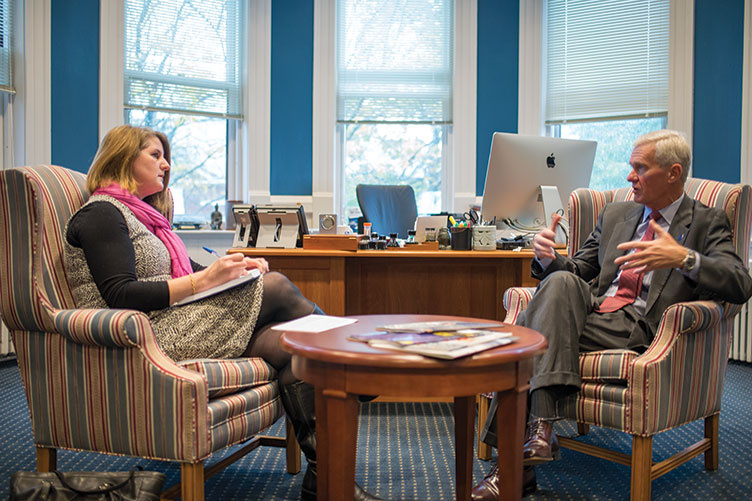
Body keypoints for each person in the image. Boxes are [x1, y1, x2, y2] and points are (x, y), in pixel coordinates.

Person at [64, 125, 382, 501]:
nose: (166, 165)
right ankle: (355, 360)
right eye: (155, 155)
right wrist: (204, 282)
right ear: (122, 158)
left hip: (175, 322)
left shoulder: (146, 218)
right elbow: (121, 293)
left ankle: (327, 482)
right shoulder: (101, 214)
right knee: (277, 286)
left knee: (297, 346)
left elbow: (186, 272)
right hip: (148, 335)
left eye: (166, 157)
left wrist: (234, 269)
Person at [472, 129, 752, 500]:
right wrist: (547, 258)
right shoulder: (616, 213)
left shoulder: (705, 221)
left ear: (673, 172)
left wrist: (683, 258)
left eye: (640, 168)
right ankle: (538, 430)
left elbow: (740, 284)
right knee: (558, 283)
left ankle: (517, 460)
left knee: (526, 334)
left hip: (639, 326)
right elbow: (578, 271)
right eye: (630, 167)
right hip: (592, 312)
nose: (629, 177)